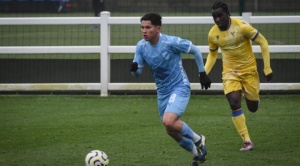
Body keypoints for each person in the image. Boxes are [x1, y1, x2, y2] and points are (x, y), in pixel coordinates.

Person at [130, 13, 211, 166]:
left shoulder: (170, 42)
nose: (144, 31)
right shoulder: (141, 46)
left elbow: (196, 50)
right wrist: (134, 69)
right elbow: (137, 73)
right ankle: (196, 155)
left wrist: (202, 73)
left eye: (148, 27)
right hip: (162, 92)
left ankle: (199, 139)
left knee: (169, 121)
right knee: (170, 129)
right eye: (142, 27)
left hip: (179, 86)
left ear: (157, 28)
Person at [204, 2, 273, 151]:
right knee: (234, 102)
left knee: (252, 107)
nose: (217, 19)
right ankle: (247, 141)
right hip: (230, 73)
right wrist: (204, 72)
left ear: (227, 13)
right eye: (214, 17)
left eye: (220, 15)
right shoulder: (212, 34)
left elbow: (263, 42)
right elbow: (213, 54)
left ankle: (255, 100)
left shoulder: (242, 27)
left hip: (249, 72)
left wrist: (267, 67)